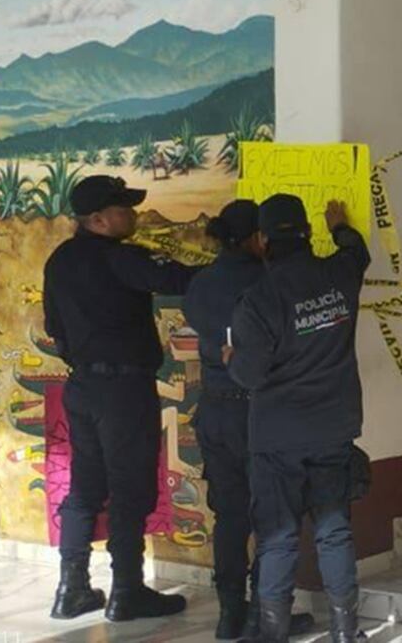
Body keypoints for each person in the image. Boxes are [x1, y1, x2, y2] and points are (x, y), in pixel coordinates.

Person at [43, 175, 203, 622]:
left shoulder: (59, 261)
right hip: (123, 392)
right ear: (97, 219)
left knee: (85, 489)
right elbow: (179, 278)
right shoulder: (121, 258)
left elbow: (55, 327)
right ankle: (127, 591)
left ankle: (71, 589)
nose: (133, 215)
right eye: (124, 209)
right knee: (130, 488)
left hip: (82, 388)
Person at [226, 194, 370, 643]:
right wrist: (339, 225)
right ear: (307, 233)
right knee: (334, 531)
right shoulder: (339, 275)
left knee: (278, 538)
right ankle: (346, 633)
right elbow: (357, 252)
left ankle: (273, 633)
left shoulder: (259, 299)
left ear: (263, 239)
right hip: (333, 427)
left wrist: (230, 357)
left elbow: (249, 375)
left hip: (278, 438)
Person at [182, 200, 314, 639]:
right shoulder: (268, 281)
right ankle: (264, 613)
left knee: (230, 515)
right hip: (259, 411)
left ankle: (228, 615)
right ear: (259, 237)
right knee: (271, 517)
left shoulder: (200, 284)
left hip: (214, 409)